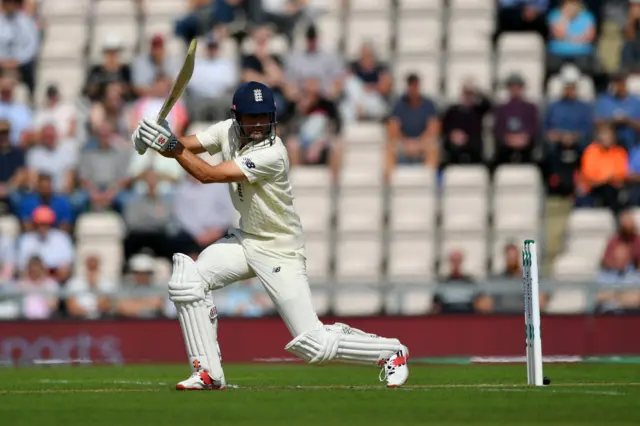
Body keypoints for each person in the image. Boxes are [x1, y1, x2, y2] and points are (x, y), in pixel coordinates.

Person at [131, 81, 409, 390]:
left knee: (313, 346)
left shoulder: (273, 153)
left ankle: (390, 352)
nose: (260, 124)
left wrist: (167, 144)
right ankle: (208, 373)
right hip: (246, 239)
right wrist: (156, 138)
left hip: (280, 249)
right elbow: (186, 147)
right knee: (187, 280)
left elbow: (206, 173)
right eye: (252, 118)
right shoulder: (227, 131)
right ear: (238, 117)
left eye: (264, 117)